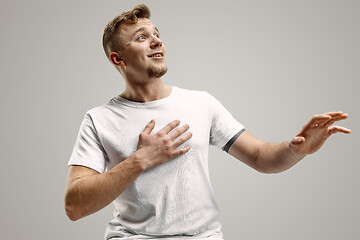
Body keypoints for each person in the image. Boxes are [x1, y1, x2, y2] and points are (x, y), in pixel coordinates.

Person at [64, 4, 351, 240]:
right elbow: (75, 205)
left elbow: (261, 157)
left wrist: (295, 149)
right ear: (118, 58)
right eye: (141, 37)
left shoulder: (201, 103)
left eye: (157, 34)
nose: (157, 41)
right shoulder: (98, 119)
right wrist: (140, 159)